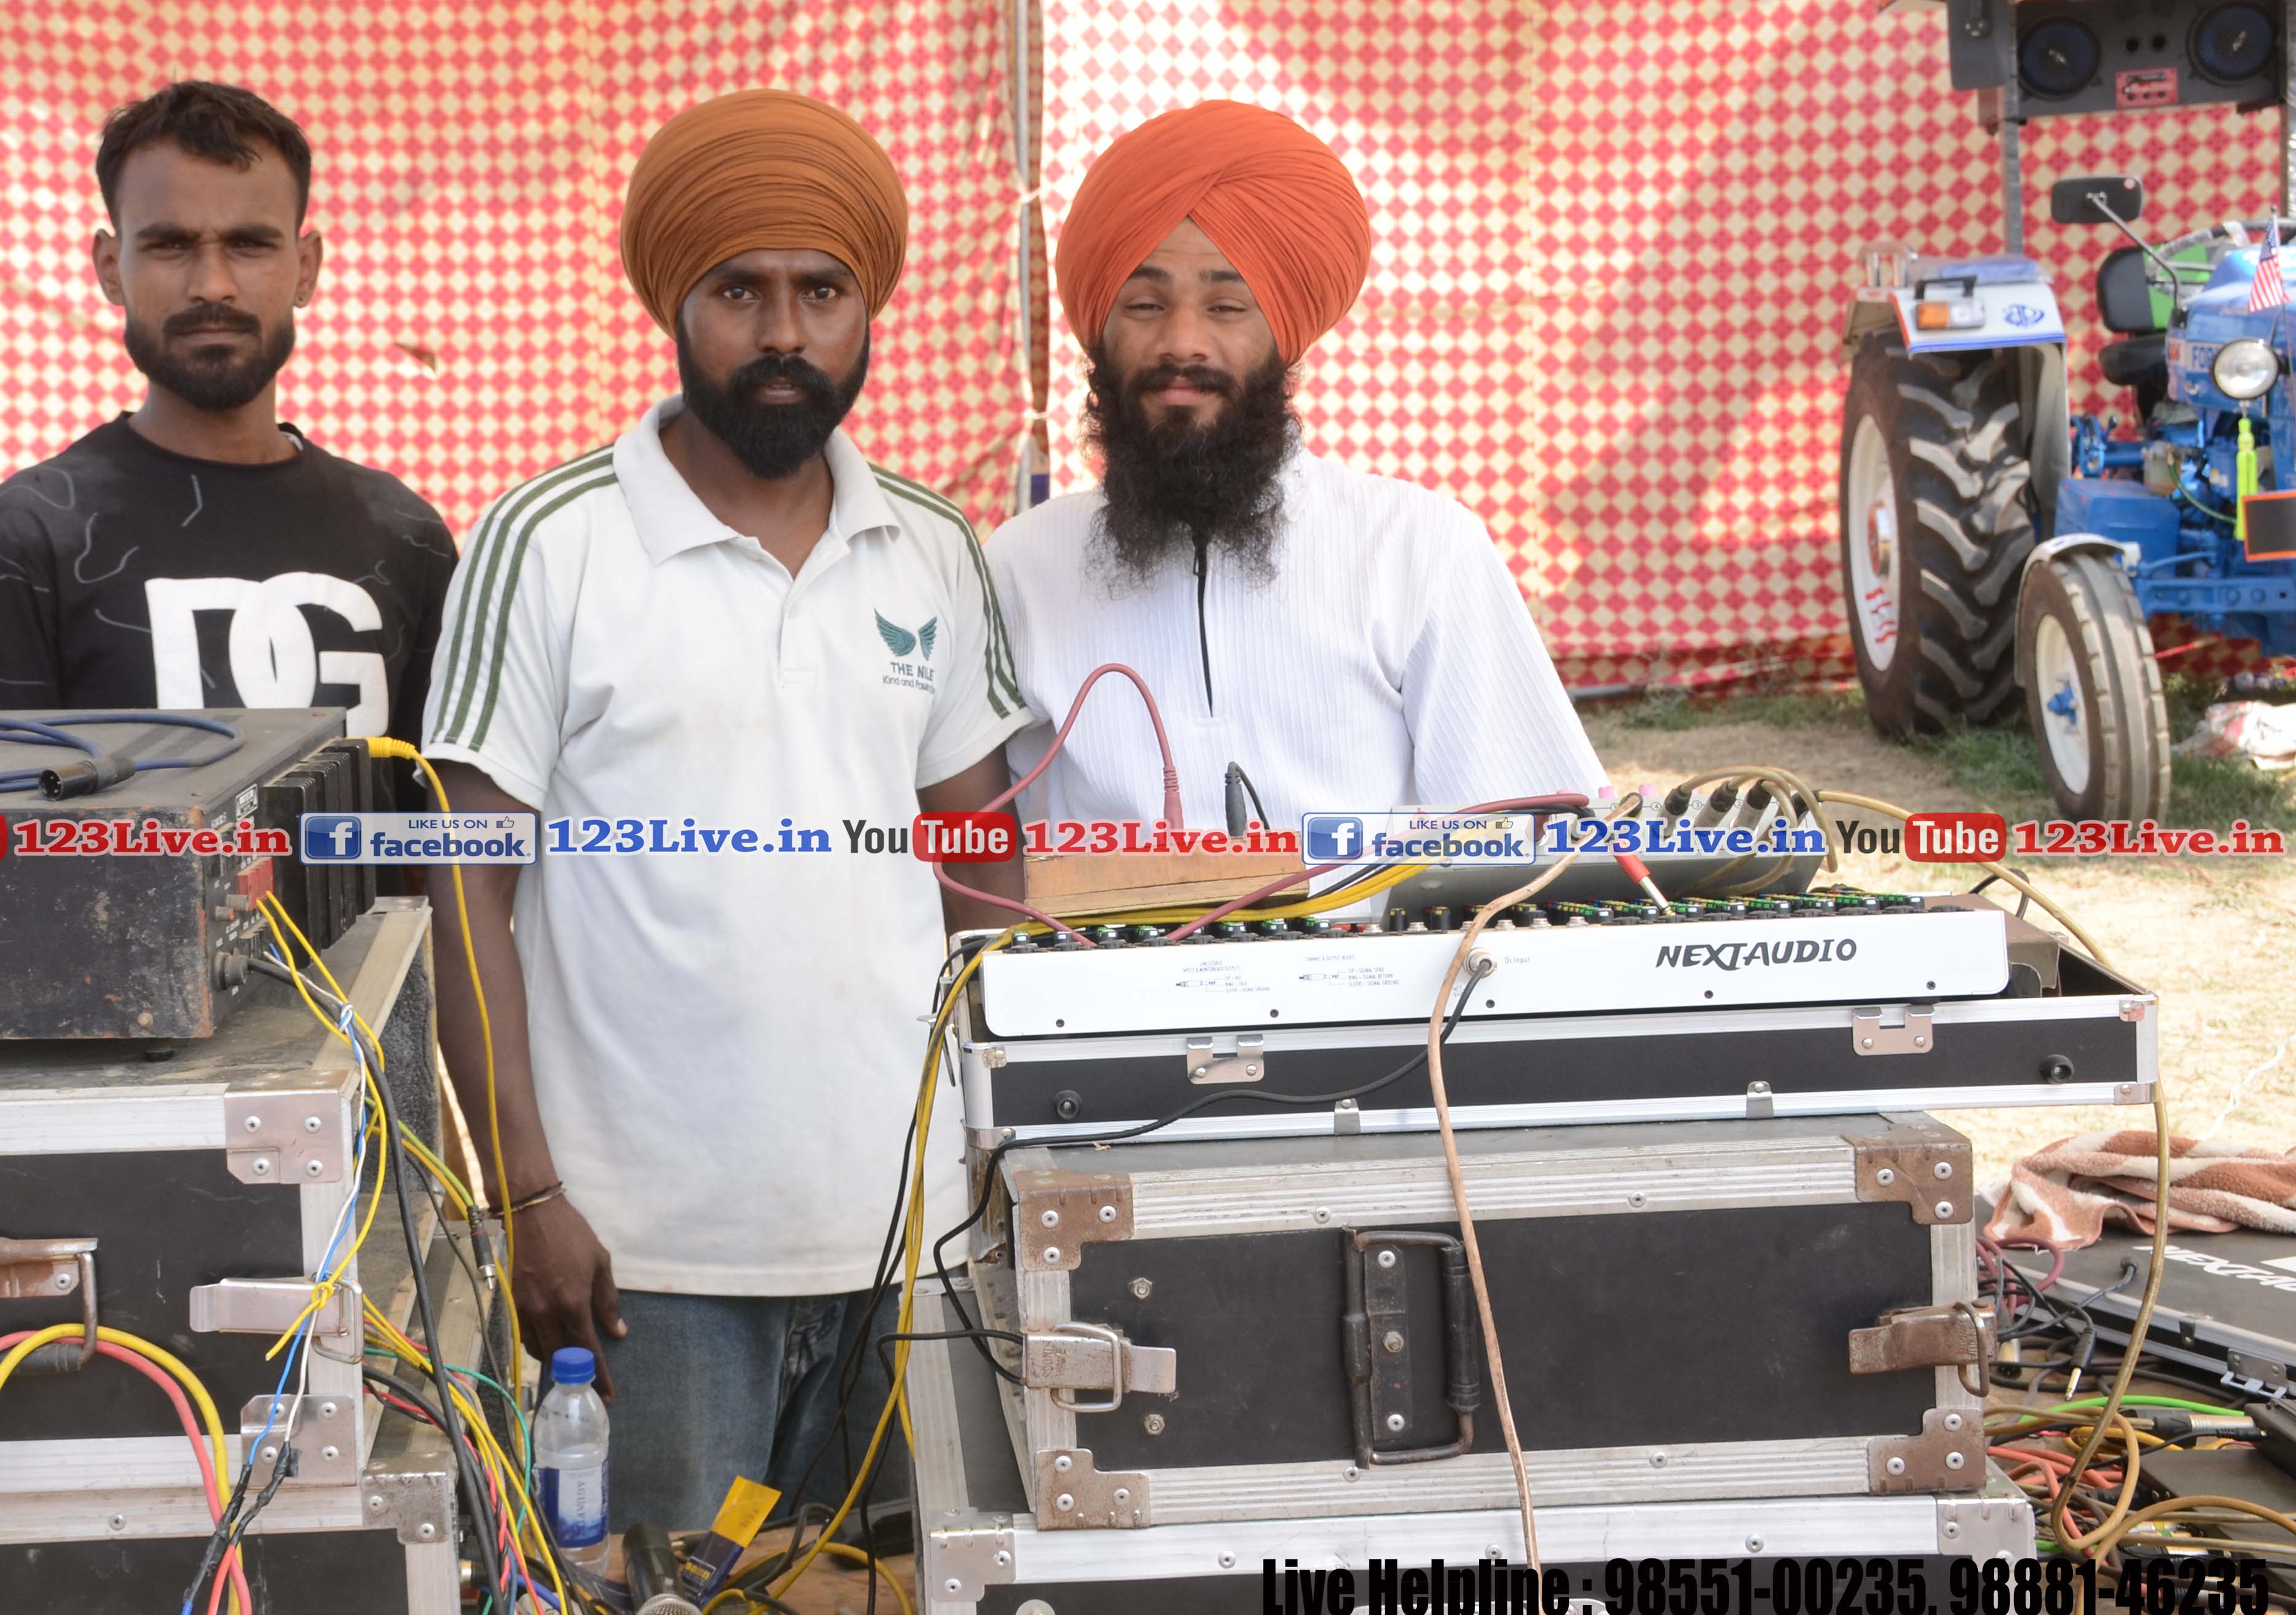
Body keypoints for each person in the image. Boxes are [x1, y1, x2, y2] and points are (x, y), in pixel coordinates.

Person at [418, 91, 1034, 1534]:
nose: (783, 332)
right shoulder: (548, 543)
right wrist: (526, 1197)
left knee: (905, 1593)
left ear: (868, 308)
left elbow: (982, 869)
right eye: (739, 290)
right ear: (673, 305)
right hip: (641, 1262)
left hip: (913, 1246)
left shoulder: (934, 547)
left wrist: (1000, 1162)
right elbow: (464, 887)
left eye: (821, 291)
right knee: (660, 1600)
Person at [986, 101, 1604, 833]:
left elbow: (1538, 835)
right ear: (1100, 334)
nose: (1181, 343)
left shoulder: (1418, 547)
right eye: (1145, 305)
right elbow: (971, 847)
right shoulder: (1019, 566)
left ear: (1284, 334)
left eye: (1226, 307)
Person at [0, 81, 455, 753]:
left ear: (306, 269)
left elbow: (442, 804)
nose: (212, 285)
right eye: (171, 245)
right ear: (110, 267)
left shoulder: (405, 536)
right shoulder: (27, 537)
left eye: (249, 244)